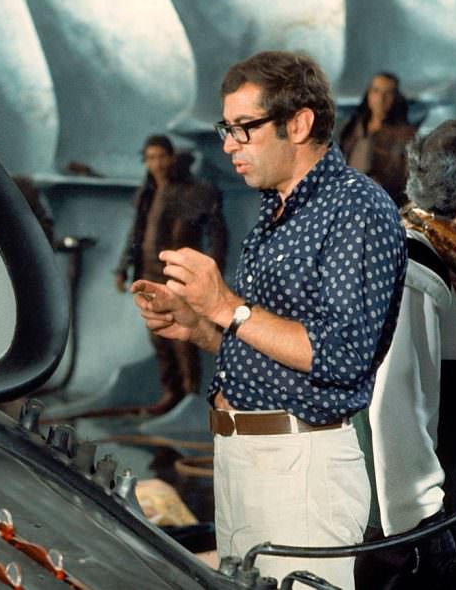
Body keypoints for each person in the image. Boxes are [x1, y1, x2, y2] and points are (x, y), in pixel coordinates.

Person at [131, 50, 406, 588]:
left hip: (300, 469)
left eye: (244, 128)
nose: (229, 145)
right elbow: (266, 341)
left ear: (299, 123)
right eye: (226, 128)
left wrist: (223, 306)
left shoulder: (356, 209)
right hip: (242, 457)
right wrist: (201, 328)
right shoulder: (276, 209)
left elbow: (342, 355)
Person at [356, 118, 456, 589]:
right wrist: (421, 523)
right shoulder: (415, 264)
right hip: (425, 505)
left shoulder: (443, 250)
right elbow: (397, 404)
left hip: (455, 477)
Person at [115, 135, 228, 413]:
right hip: (148, 273)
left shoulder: (192, 191)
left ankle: (189, 395)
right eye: (151, 158)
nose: (156, 164)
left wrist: (213, 268)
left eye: (161, 157)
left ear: (172, 157)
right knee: (159, 337)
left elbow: (217, 232)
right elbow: (136, 233)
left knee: (184, 338)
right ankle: (171, 393)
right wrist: (123, 268)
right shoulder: (148, 192)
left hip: (176, 274)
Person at [339, 72, 416, 206]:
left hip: (386, 204)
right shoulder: (352, 127)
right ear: (368, 94)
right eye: (376, 91)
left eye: (388, 93)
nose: (381, 99)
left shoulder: (406, 135)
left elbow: (410, 180)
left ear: (396, 97)